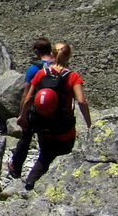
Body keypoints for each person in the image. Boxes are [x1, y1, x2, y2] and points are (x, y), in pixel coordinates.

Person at [16, 42, 91, 191]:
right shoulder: (73, 77)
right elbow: (81, 101)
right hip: (64, 129)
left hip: (43, 125)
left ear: (53, 54)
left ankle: (30, 183)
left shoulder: (41, 74)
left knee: (44, 157)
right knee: (64, 158)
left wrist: (22, 116)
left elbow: (28, 99)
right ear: (69, 56)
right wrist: (89, 124)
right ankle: (57, 189)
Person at [7, 38, 55, 180]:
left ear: (36, 51)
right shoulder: (59, 66)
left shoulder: (34, 69)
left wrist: (22, 114)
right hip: (52, 110)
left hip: (35, 110)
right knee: (46, 143)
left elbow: (26, 95)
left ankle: (16, 167)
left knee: (26, 138)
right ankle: (43, 172)